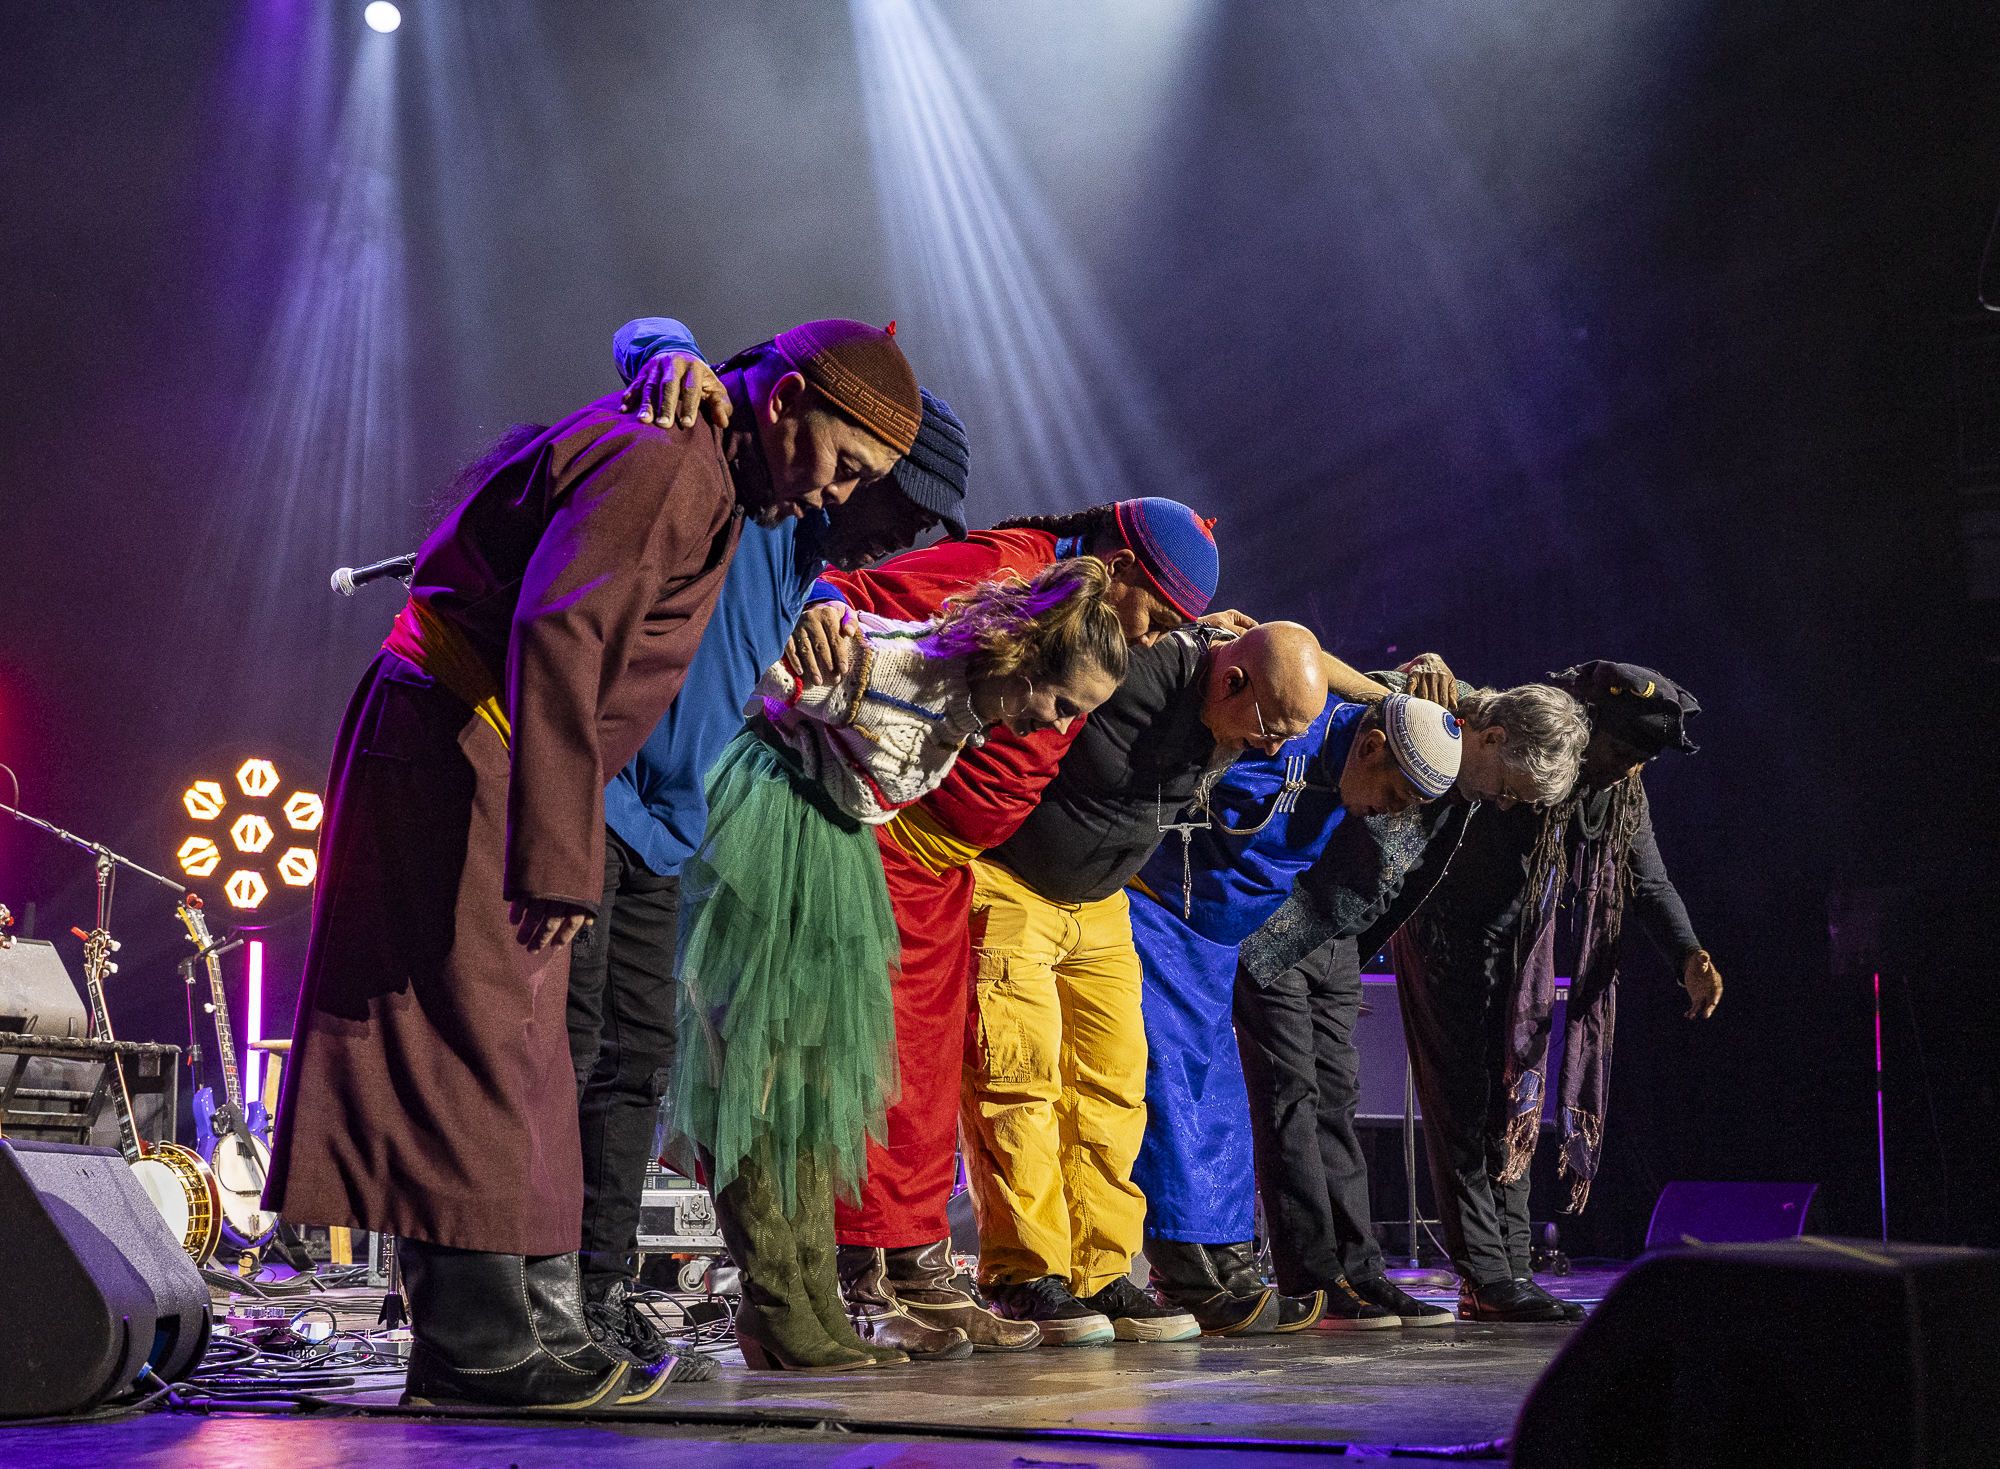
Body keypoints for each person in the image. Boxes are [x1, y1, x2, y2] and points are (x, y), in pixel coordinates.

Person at [265, 319, 922, 1411]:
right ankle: (473, 1350)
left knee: (517, 1046)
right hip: (458, 736)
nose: (839, 495)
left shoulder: (714, 473)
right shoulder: (670, 462)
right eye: (845, 463)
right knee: (469, 1039)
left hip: (489, 748)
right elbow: (558, 634)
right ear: (784, 402)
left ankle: (521, 1326)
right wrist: (560, 852)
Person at [561, 319, 970, 1366]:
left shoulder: (803, 548)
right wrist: (665, 351)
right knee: (573, 1052)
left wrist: (822, 592)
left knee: (635, 1063)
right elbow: (671, 346)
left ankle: (596, 1291)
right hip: (601, 795)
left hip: (667, 820)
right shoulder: (746, 483)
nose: (892, 530)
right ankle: (537, 1294)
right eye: (882, 493)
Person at [782, 498, 1246, 1354]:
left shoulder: (1098, 624)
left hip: (947, 868)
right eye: (1157, 616)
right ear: (1119, 568)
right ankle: (860, 1281)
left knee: (927, 1085)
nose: (1155, 639)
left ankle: (920, 1270)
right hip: (893, 850)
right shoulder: (1010, 567)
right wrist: (817, 599)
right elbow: (855, 591)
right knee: (883, 1071)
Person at [669, 559, 1128, 1371]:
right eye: (1062, 703)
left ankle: (814, 1301)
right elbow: (746, 672)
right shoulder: (896, 672)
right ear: (1025, 663)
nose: (1059, 726)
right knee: (762, 1073)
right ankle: (776, 1306)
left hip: (833, 842)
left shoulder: (965, 702)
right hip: (777, 830)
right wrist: (811, 629)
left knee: (815, 1085)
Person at [960, 620, 1331, 1345]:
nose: (1273, 750)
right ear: (1232, 681)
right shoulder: (1139, 671)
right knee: (1018, 1082)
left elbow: (1282, 656)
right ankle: (1024, 1275)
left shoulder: (1230, 712)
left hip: (1100, 905)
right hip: (1013, 884)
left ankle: (1098, 1272)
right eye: (1271, 727)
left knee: (1114, 1090)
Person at [1196, 671, 1590, 1332]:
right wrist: (1413, 674)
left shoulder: (1466, 779)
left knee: (1336, 1099)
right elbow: (1343, 699)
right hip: (1278, 924)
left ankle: (1360, 1270)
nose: (1502, 802)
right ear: (1493, 737)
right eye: (1507, 787)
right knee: (1291, 1097)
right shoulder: (1427, 708)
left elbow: (1401, 881)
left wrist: (1353, 957)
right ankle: (1312, 1276)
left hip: (1338, 937)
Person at [1384, 661, 1722, 1323]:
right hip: (1445, 933)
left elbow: (1647, 879)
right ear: (1589, 727)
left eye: (1642, 761)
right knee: (1464, 1106)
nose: (1629, 769)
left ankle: (1511, 1268)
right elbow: (1453, 717)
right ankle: (1485, 1275)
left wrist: (1690, 956)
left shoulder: (1620, 792)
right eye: (1621, 752)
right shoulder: (1531, 734)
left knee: (1512, 1103)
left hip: (1517, 951)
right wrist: (1424, 675)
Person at [1126, 690, 1472, 1333]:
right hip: (1166, 918)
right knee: (1174, 1091)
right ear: (1372, 747)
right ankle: (1187, 1273)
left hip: (1216, 939)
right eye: (1394, 794)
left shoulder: (1345, 766)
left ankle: (1229, 1263)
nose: (1391, 813)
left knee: (1223, 1102)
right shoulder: (1279, 731)